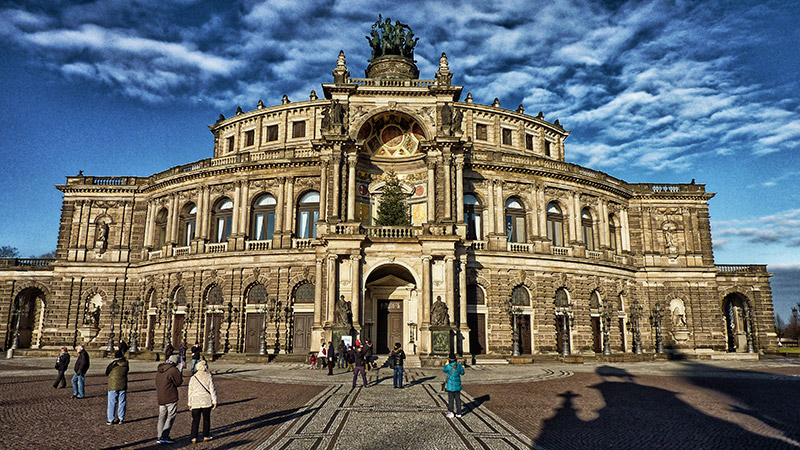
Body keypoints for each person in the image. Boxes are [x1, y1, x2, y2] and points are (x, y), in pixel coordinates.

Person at [155, 354, 183, 444]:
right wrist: (180, 371)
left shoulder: (160, 369)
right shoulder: (173, 370)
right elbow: (179, 382)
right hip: (170, 396)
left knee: (162, 416)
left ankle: (159, 435)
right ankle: (165, 435)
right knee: (171, 416)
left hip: (161, 396)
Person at [187, 360, 217, 444]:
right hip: (206, 400)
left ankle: (194, 437)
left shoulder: (193, 378)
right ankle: (206, 436)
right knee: (206, 419)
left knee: (195, 420)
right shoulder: (208, 376)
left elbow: (190, 391)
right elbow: (212, 390)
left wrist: (189, 403)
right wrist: (214, 401)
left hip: (195, 401)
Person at [106, 349, 129, 425]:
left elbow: (107, 372)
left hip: (113, 385)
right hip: (123, 385)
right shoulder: (126, 364)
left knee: (112, 403)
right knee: (122, 402)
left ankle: (110, 419)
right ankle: (121, 418)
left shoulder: (113, 364)